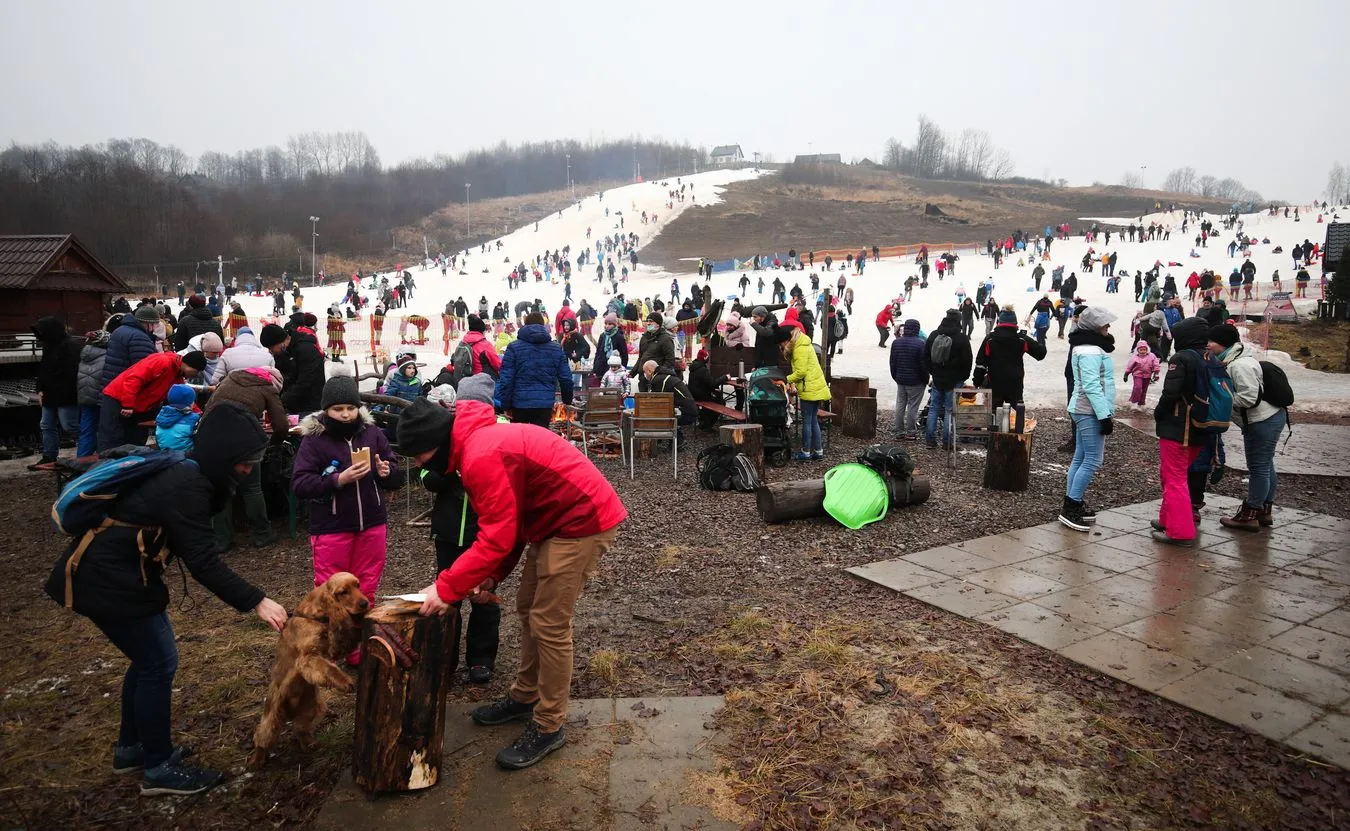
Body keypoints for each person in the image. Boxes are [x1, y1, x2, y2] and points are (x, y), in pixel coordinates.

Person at [43, 401, 289, 796]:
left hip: (122, 577)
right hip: (105, 580)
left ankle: (132, 749)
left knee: (148, 661)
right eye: (244, 461)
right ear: (223, 455)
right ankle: (157, 768)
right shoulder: (187, 484)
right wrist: (258, 601)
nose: (248, 469)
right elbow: (204, 563)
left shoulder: (189, 474)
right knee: (158, 663)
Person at [397, 380, 627, 771]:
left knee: (550, 623)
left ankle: (549, 724)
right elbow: (510, 520)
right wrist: (493, 576)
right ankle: (525, 696)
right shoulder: (477, 444)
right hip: (550, 524)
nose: (419, 466)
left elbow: (498, 534)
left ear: (435, 444)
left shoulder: (479, 454)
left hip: (581, 521)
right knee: (527, 608)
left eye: (418, 456)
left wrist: (446, 588)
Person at [291, 376, 401, 663]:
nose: (345, 414)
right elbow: (300, 483)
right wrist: (337, 480)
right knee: (332, 593)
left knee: (365, 589)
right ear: (327, 410)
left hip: (372, 523)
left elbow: (394, 468)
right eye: (338, 409)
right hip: (331, 526)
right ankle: (329, 647)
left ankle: (358, 649)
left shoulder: (373, 433)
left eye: (350, 408)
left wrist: (387, 471)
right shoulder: (314, 440)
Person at [418, 388, 501, 685]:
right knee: (447, 598)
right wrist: (451, 470)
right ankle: (444, 659)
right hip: (449, 532)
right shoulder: (444, 439)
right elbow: (426, 477)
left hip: (484, 534)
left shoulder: (493, 440)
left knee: (484, 599)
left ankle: (481, 659)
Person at [1208, 324, 1287, 531]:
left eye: (1212, 341)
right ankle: (1264, 511)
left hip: (1262, 421)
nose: (1208, 345)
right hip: (1267, 418)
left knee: (1258, 467)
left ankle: (1249, 514)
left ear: (1224, 343)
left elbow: (1249, 397)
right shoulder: (1234, 360)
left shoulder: (1239, 365)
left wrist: (1223, 399)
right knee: (1265, 463)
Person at [1151, 317, 1212, 546]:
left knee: (1174, 478)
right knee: (1173, 475)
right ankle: (1168, 519)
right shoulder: (1209, 357)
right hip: (1201, 425)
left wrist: (1159, 412)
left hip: (1179, 427)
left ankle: (1179, 531)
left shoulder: (1182, 358)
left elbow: (1171, 393)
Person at [1058, 306, 1116, 530]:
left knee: (1081, 457)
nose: (1108, 327)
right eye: (1104, 324)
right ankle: (1070, 506)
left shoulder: (1086, 346)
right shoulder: (1091, 350)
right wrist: (1104, 415)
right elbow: (1092, 385)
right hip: (1088, 410)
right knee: (1093, 459)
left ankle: (1073, 501)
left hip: (1084, 407)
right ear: (1095, 327)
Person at [99, 351, 207, 451]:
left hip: (134, 406)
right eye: (196, 371)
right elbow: (135, 379)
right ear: (190, 365)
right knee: (111, 438)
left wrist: (200, 414)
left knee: (133, 441)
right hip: (117, 398)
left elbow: (184, 400)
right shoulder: (162, 362)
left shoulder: (176, 375)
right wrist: (128, 405)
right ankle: (103, 466)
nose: (195, 375)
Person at [497, 311, 573, 428]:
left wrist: (505, 404)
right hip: (544, 404)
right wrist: (567, 400)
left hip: (519, 404)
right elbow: (566, 378)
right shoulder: (556, 349)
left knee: (521, 440)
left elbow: (506, 378)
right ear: (543, 325)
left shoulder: (513, 348)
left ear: (525, 325)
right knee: (540, 441)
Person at [29, 316, 83, 469]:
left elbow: (72, 375)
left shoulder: (71, 347)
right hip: (50, 395)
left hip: (66, 396)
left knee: (70, 426)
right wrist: (39, 389)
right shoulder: (49, 346)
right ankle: (49, 456)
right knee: (46, 425)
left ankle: (87, 452)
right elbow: (43, 370)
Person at [972, 307, 1047, 408]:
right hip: (1015, 382)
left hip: (995, 382)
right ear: (1015, 323)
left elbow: (980, 363)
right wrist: (1040, 340)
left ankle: (995, 422)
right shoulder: (1021, 339)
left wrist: (977, 382)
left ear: (999, 322)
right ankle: (1017, 422)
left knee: (993, 414)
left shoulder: (990, 339)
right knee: (1016, 415)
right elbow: (1040, 354)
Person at [924, 310, 973, 450]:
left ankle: (930, 440)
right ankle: (947, 442)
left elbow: (925, 355)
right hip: (954, 379)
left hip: (938, 378)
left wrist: (933, 371)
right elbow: (967, 360)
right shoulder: (962, 338)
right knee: (950, 411)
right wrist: (963, 377)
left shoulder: (934, 334)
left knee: (933, 408)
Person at [782, 324, 830, 460]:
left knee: (807, 421)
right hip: (814, 387)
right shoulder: (803, 343)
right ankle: (818, 451)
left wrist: (786, 379)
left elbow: (800, 372)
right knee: (813, 420)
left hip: (809, 388)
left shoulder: (799, 348)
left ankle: (805, 452)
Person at [889, 319, 928, 440]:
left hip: (901, 378)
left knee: (900, 405)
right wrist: (925, 379)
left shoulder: (896, 343)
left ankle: (899, 431)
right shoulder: (921, 344)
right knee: (913, 406)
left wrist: (896, 376)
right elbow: (923, 365)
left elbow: (892, 363)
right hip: (916, 380)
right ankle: (911, 432)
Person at [281, 318, 326, 414]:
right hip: (302, 402)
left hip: (309, 405)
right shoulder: (295, 348)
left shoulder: (304, 350)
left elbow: (305, 381)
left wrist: (284, 399)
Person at [212, 325, 280, 383]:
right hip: (260, 394)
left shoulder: (227, 353)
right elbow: (274, 379)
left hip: (233, 394)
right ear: (253, 337)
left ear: (237, 338)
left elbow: (216, 380)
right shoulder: (267, 354)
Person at [643, 359, 696, 432]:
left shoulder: (658, 379)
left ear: (649, 371)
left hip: (685, 413)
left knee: (656, 414)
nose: (645, 375)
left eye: (644, 372)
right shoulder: (665, 376)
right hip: (689, 410)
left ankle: (676, 439)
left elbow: (656, 401)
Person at [630, 312, 677, 390]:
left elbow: (670, 360)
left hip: (657, 379)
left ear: (658, 323)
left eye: (651, 321)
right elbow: (641, 357)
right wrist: (633, 372)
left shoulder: (665, 339)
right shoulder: (644, 338)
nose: (648, 323)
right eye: (647, 321)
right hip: (643, 377)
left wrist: (658, 373)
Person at [153, 385, 199, 452]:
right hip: (186, 456)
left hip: (164, 454)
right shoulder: (194, 418)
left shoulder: (161, 415)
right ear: (190, 402)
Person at [1124, 340, 1161, 408]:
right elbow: (1130, 366)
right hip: (1137, 375)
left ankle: (1141, 403)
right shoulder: (1135, 357)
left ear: (1147, 349)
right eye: (1141, 350)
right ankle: (1134, 401)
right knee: (1138, 388)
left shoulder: (1152, 356)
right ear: (1138, 350)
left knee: (1144, 390)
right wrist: (1126, 374)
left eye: (1144, 349)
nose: (1143, 351)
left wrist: (1156, 373)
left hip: (1147, 375)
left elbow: (1156, 364)